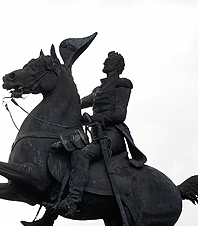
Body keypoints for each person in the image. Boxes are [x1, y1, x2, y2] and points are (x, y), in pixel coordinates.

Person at [53, 50, 147, 217]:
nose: (104, 63)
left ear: (116, 66)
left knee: (81, 155)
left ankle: (72, 201)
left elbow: (120, 114)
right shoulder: (98, 89)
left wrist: (93, 118)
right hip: (97, 136)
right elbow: (78, 103)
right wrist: (61, 96)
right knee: (63, 148)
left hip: (113, 136)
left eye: (108, 61)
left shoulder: (122, 84)